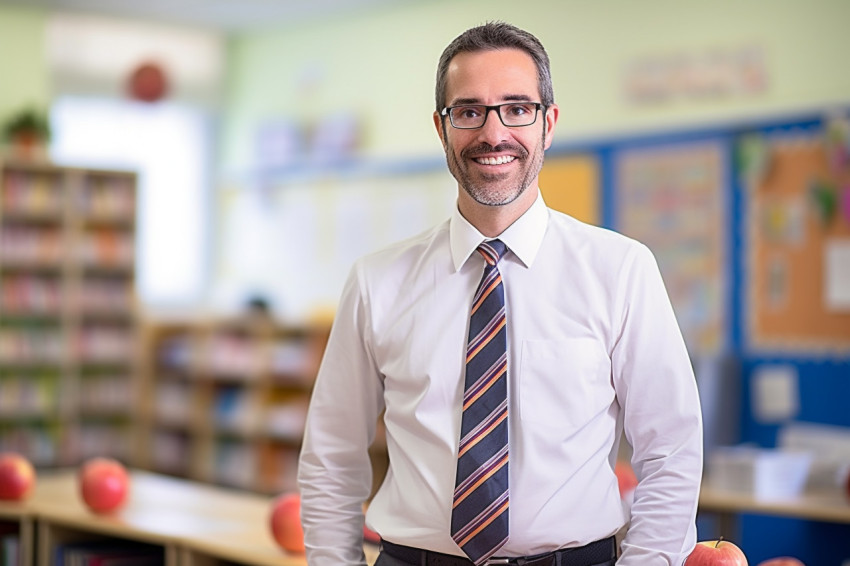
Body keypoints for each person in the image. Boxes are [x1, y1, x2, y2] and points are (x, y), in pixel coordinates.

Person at [298, 21, 703, 566]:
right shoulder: (377, 281)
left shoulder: (620, 269)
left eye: (517, 108)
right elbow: (331, 454)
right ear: (441, 130)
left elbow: (671, 448)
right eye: (468, 111)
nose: (493, 134)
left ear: (548, 124)